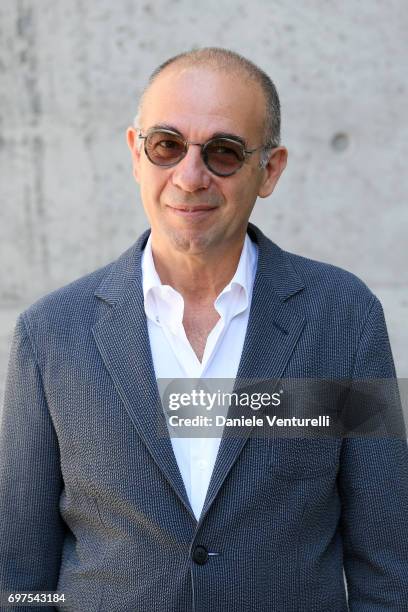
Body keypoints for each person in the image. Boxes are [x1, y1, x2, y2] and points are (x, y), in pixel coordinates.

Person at [1, 47, 407, 612]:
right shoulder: (51, 334)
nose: (190, 177)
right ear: (136, 154)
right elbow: (19, 570)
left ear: (270, 170)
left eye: (223, 152)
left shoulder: (343, 317)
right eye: (167, 145)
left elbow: (386, 560)